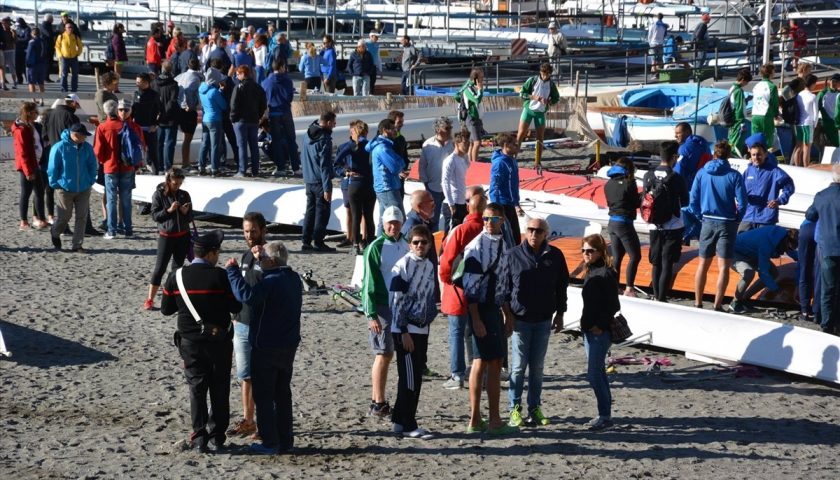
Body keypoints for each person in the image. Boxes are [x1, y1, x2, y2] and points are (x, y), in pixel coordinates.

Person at [161, 230, 242, 453]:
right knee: (219, 387)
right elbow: (235, 307)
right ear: (210, 253)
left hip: (189, 341)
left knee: (196, 388)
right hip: (219, 341)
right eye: (218, 251)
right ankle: (217, 435)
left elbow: (166, 310)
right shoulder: (220, 276)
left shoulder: (176, 276)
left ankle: (199, 436)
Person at [225, 241, 302, 454]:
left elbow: (247, 297)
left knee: (265, 396)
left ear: (272, 260)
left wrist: (232, 272)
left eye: (264, 259)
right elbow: (271, 270)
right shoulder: (293, 278)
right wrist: (262, 259)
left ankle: (269, 442)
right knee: (283, 395)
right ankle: (286, 440)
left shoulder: (271, 282)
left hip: (267, 345)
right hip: (288, 346)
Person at [503, 217, 568, 428]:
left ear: (545, 234)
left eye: (538, 231)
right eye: (530, 229)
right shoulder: (512, 255)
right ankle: (514, 408)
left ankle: (535, 407)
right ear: (525, 231)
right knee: (518, 367)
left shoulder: (555, 255)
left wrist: (560, 313)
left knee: (537, 368)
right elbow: (504, 289)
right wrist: (508, 316)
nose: (534, 234)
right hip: (520, 319)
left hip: (543, 319)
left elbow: (562, 286)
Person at [463, 203, 516, 436]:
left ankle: (492, 418)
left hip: (494, 308)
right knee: (480, 362)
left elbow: (503, 282)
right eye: (485, 218)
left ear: (502, 221)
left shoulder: (504, 244)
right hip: (480, 309)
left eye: (493, 219)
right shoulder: (476, 247)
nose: (488, 223)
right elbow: (470, 288)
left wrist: (507, 314)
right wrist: (476, 319)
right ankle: (477, 419)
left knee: (495, 362)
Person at [388, 225, 438, 439]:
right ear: (410, 244)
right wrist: (403, 330)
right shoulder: (402, 266)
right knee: (409, 378)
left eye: (423, 242)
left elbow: (428, 297)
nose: (420, 246)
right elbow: (396, 301)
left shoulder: (428, 265)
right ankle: (409, 424)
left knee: (414, 375)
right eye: (416, 242)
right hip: (405, 329)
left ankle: (399, 420)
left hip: (422, 328)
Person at [689, 140, 748, 311]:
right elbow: (743, 203)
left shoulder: (702, 173)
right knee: (723, 267)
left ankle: (698, 302)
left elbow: (693, 199)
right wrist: (738, 218)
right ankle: (717, 305)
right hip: (727, 222)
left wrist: (699, 215)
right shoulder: (734, 175)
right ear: (728, 155)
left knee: (703, 264)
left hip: (707, 220)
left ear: (714, 154)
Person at [362, 206, 409, 417]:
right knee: (384, 353)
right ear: (383, 223)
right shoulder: (375, 247)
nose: (393, 226)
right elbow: (368, 282)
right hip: (382, 305)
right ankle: (378, 401)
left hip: (400, 305)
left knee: (390, 354)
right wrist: (371, 314)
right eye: (389, 222)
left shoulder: (406, 244)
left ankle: (377, 401)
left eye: (396, 223)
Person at [225, 212, 267, 441]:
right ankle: (248, 420)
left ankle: (264, 423)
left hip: (261, 326)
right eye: (246, 231)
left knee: (262, 376)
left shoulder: (270, 256)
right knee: (245, 376)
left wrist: (263, 260)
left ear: (263, 230)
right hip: (241, 323)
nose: (249, 235)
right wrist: (234, 315)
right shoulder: (243, 256)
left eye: (253, 231)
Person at [439, 187, 486, 389]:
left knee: (456, 332)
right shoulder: (488, 229)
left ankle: (457, 375)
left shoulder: (461, 230)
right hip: (482, 289)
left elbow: (447, 260)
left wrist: (445, 280)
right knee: (476, 331)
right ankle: (479, 373)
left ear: (468, 206)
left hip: (458, 288)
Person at [579, 233, 619, 431]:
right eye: (584, 250)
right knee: (598, 372)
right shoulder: (592, 270)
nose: (586, 254)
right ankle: (605, 414)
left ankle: (605, 416)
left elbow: (613, 305)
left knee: (594, 374)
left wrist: (599, 326)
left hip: (598, 332)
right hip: (589, 330)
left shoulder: (606, 273)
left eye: (590, 251)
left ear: (600, 252)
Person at [643, 141, 689, 302]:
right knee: (667, 263)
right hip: (673, 225)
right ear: (674, 157)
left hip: (654, 225)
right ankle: (662, 298)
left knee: (656, 263)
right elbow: (685, 202)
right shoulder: (676, 178)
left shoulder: (648, 176)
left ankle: (656, 297)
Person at [95, 99, 143, 239]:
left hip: (110, 166)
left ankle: (112, 230)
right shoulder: (132, 126)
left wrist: (104, 161)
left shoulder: (103, 127)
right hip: (128, 167)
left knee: (111, 199)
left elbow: (98, 151)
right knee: (126, 199)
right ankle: (128, 229)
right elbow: (141, 147)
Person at [145, 168, 192, 310]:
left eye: (179, 183)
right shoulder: (159, 195)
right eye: (174, 183)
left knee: (177, 270)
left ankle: (173, 299)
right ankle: (149, 299)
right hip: (166, 237)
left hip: (183, 237)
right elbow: (154, 216)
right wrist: (169, 210)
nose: (177, 186)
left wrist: (185, 212)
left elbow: (190, 218)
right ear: (168, 181)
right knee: (159, 269)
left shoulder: (184, 195)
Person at [47, 123, 97, 252]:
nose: (85, 138)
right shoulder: (59, 147)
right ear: (75, 135)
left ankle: (77, 245)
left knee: (82, 217)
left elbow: (92, 164)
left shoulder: (87, 148)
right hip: (64, 189)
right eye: (83, 136)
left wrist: (91, 180)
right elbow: (52, 168)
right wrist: (55, 184)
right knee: (64, 217)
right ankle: (55, 231)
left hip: (84, 188)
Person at [729, 226, 798, 314]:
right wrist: (777, 290)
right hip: (735, 252)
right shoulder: (767, 244)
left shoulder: (783, 236)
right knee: (748, 273)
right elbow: (763, 273)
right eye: (789, 247)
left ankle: (745, 299)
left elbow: (789, 250)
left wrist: (802, 259)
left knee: (773, 273)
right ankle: (735, 302)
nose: (787, 251)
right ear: (787, 241)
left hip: (752, 253)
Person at [805, 164, 840, 334]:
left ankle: (826, 324)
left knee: (828, 288)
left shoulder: (822, 196)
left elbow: (810, 215)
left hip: (828, 247)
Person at [740, 133, 795, 232]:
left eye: (759, 154)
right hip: (747, 216)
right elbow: (740, 190)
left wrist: (779, 200)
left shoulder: (775, 171)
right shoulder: (748, 171)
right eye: (753, 155)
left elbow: (789, 186)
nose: (756, 157)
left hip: (766, 218)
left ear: (765, 154)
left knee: (762, 246)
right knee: (740, 244)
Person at [336, 120, 375, 254]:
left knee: (356, 215)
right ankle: (369, 243)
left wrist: (345, 172)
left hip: (355, 183)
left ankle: (355, 244)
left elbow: (336, 163)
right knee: (369, 216)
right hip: (369, 183)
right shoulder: (371, 145)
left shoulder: (349, 146)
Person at [301, 111, 337, 252]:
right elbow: (325, 166)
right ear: (328, 122)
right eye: (333, 123)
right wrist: (327, 188)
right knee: (322, 213)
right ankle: (318, 241)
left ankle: (306, 241)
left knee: (310, 212)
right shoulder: (324, 139)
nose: (334, 126)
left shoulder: (307, 134)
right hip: (320, 182)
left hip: (309, 180)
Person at [605, 157, 642, 297]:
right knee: (635, 256)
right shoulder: (629, 183)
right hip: (624, 223)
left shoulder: (608, 183)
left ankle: (614, 287)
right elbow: (635, 203)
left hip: (612, 222)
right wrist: (643, 195)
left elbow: (613, 202)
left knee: (617, 257)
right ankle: (629, 288)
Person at [516, 63, 560, 169]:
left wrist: (549, 101)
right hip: (529, 110)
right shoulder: (532, 80)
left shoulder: (551, 85)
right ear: (540, 72)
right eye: (544, 74)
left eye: (548, 74)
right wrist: (534, 97)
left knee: (540, 137)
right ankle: (513, 157)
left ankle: (537, 162)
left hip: (540, 112)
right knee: (521, 134)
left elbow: (556, 98)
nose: (545, 76)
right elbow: (521, 93)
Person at [367, 119, 408, 231]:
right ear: (385, 130)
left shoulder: (384, 146)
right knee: (398, 218)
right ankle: (397, 245)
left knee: (384, 219)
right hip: (388, 187)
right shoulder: (383, 148)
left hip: (385, 186)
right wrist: (400, 162)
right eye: (393, 129)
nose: (396, 131)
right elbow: (395, 167)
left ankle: (381, 246)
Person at [13, 101, 48, 230]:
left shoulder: (32, 126)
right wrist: (28, 171)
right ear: (28, 113)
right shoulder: (22, 130)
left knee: (39, 192)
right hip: (27, 166)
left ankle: (40, 218)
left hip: (36, 163)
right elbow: (23, 152)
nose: (36, 114)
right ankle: (24, 221)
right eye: (34, 112)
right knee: (26, 193)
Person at [262, 59, 299, 176]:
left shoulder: (266, 82)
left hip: (273, 113)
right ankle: (296, 167)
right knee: (291, 140)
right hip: (286, 112)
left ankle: (281, 167)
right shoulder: (288, 81)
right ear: (282, 67)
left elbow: (264, 99)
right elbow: (290, 98)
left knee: (276, 141)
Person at [230, 65, 267, 178]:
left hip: (240, 121)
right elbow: (263, 104)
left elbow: (233, 105)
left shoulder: (238, 87)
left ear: (242, 74)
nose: (237, 76)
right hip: (254, 120)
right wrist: (259, 116)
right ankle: (255, 170)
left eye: (237, 74)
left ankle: (242, 170)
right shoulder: (258, 87)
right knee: (254, 146)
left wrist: (233, 118)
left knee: (242, 146)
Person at [419, 117, 454, 232]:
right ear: (438, 130)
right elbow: (422, 166)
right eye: (447, 128)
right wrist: (426, 183)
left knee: (450, 217)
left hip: (450, 187)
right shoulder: (428, 145)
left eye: (450, 128)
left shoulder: (453, 144)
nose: (450, 131)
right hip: (433, 187)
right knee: (433, 218)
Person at [488, 133, 523, 244]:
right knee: (507, 239)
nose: (517, 146)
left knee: (516, 238)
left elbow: (513, 185)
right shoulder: (500, 163)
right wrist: (496, 211)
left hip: (511, 204)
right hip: (503, 206)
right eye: (514, 144)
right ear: (506, 145)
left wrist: (516, 204)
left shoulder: (511, 160)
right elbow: (494, 187)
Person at [198, 67, 227, 176]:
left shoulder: (201, 88)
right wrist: (221, 92)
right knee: (215, 145)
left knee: (204, 143)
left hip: (205, 119)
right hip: (215, 120)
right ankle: (215, 168)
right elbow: (224, 106)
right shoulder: (214, 92)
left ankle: (201, 166)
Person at [441, 129, 472, 230]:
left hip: (462, 202)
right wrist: (451, 204)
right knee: (450, 235)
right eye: (464, 143)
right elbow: (445, 182)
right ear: (456, 144)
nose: (467, 146)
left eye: (468, 143)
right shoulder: (450, 160)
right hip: (453, 203)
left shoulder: (463, 159)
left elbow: (466, 168)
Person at [175, 57, 202, 169]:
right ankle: (185, 163)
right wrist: (189, 105)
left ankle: (186, 162)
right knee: (188, 138)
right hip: (188, 111)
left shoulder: (181, 76)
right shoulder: (195, 79)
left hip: (179, 109)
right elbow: (188, 92)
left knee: (185, 137)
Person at [133, 73, 162, 174]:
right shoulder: (136, 93)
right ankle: (137, 171)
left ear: (146, 83)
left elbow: (161, 111)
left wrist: (156, 125)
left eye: (139, 82)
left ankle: (155, 172)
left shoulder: (154, 95)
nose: (137, 84)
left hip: (150, 128)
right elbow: (132, 111)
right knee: (136, 151)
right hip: (137, 128)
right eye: (136, 82)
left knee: (153, 152)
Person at [156, 61, 182, 171]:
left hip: (159, 117)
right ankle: (168, 166)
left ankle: (159, 164)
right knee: (170, 143)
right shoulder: (173, 84)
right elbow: (172, 101)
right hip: (171, 117)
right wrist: (166, 113)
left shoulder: (155, 83)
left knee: (159, 142)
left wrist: (160, 113)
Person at [458, 68, 484, 165]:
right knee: (477, 142)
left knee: (472, 143)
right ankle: (474, 164)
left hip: (476, 118)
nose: (483, 79)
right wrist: (480, 89)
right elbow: (477, 100)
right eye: (481, 77)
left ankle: (470, 163)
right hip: (471, 118)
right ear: (475, 79)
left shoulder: (475, 88)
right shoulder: (468, 90)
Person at [793, 74, 819, 167]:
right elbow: (816, 114)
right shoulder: (813, 96)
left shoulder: (798, 95)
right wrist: (814, 125)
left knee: (798, 146)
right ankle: (806, 167)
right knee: (807, 147)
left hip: (799, 123)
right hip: (808, 124)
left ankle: (797, 166)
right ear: (812, 84)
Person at [751, 63, 780, 147]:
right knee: (767, 140)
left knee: (755, 140)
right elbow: (775, 103)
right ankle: (766, 158)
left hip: (755, 115)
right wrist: (776, 114)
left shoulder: (756, 86)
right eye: (774, 70)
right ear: (770, 72)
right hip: (766, 115)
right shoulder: (772, 87)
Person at [727, 68, 753, 158]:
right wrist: (742, 123)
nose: (746, 84)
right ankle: (734, 157)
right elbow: (739, 109)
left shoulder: (732, 88)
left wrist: (745, 100)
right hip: (737, 122)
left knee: (731, 141)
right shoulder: (738, 91)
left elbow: (734, 104)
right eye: (746, 82)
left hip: (732, 121)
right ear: (742, 80)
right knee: (736, 142)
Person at [673, 122, 708, 190]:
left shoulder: (684, 149)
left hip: (688, 187)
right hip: (703, 184)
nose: (675, 136)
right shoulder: (705, 145)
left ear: (687, 132)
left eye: (678, 133)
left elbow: (679, 170)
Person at [54, 20, 82, 93]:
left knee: (75, 74)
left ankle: (74, 89)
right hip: (64, 58)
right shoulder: (61, 36)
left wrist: (78, 53)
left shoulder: (75, 37)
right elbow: (57, 46)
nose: (70, 29)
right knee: (64, 74)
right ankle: (64, 89)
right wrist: (60, 55)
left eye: (71, 27)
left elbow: (80, 46)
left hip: (73, 58)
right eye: (68, 27)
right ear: (65, 28)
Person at [816, 74, 840, 148]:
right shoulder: (822, 93)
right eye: (833, 81)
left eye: (837, 81)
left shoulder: (839, 94)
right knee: (824, 147)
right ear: (829, 82)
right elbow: (816, 109)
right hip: (827, 125)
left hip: (837, 125)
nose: (834, 83)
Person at [25, 28, 45, 101]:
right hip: (42, 64)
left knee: (31, 82)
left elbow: (29, 54)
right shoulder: (43, 41)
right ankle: (42, 99)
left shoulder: (32, 42)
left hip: (33, 65)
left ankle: (33, 99)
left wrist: (27, 64)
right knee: (41, 83)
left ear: (32, 34)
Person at [1, 18, 17, 90]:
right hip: (3, 50)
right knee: (2, 67)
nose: (3, 25)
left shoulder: (11, 31)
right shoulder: (1, 30)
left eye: (5, 23)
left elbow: (15, 41)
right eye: (2, 23)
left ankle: (14, 83)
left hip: (10, 50)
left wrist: (14, 33)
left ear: (8, 23)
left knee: (12, 67)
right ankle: (3, 82)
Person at [39, 14, 55, 83]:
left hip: (49, 46)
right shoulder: (44, 25)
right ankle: (45, 77)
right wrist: (56, 33)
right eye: (52, 19)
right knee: (47, 62)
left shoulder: (47, 25)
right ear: (49, 19)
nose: (53, 20)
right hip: (46, 47)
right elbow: (49, 34)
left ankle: (46, 76)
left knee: (49, 62)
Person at [111, 24, 128, 88]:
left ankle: (116, 87)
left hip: (119, 58)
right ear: (119, 29)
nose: (124, 29)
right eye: (123, 28)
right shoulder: (117, 37)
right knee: (117, 74)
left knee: (117, 74)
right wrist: (118, 58)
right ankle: (115, 88)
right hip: (118, 58)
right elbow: (117, 48)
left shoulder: (117, 36)